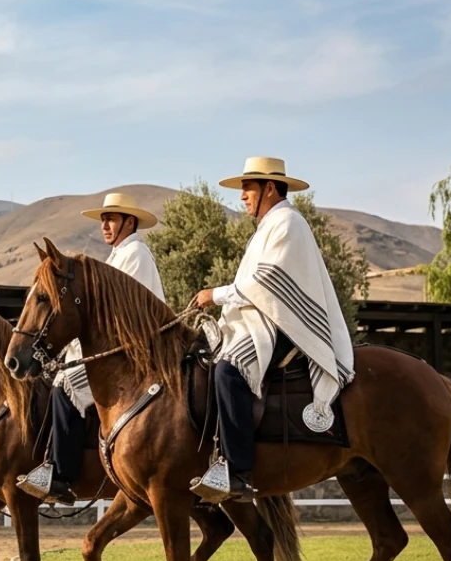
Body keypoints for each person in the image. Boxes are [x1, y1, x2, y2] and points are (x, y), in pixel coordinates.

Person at [188, 157, 354, 502]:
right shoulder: (269, 225)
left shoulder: (288, 222)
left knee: (228, 370)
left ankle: (238, 471)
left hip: (285, 326)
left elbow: (267, 281)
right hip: (262, 320)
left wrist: (215, 295)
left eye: (248, 188)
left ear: (269, 188)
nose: (243, 196)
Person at [18, 191, 166, 504]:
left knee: (67, 384)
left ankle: (64, 474)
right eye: (103, 220)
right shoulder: (117, 256)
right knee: (58, 381)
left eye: (111, 219)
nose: (105, 225)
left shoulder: (136, 253)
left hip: (134, 350)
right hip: (117, 348)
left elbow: (123, 313)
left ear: (130, 221)